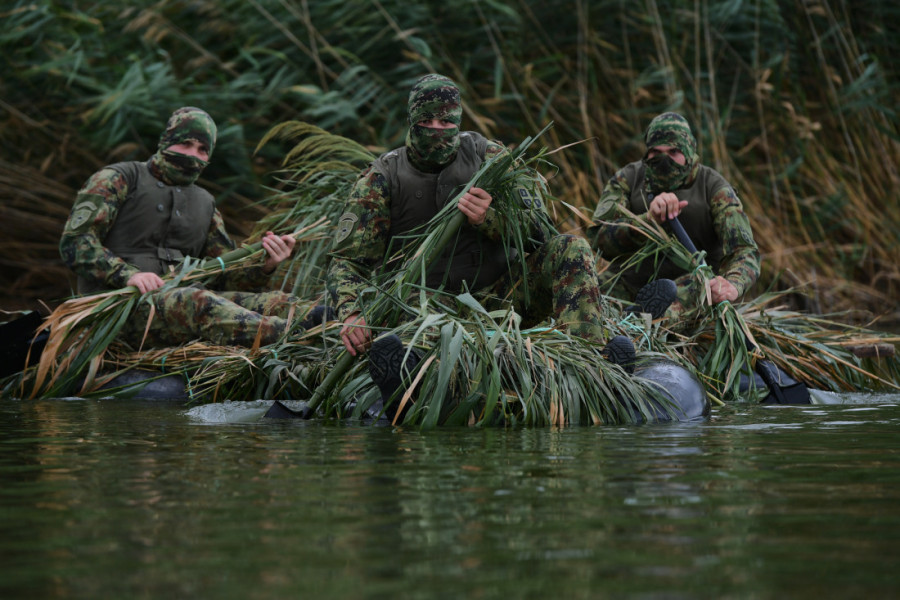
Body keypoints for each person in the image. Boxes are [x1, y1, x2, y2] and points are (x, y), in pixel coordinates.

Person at [326, 74, 635, 408]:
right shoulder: (382, 177)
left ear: (458, 120)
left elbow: (543, 232)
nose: (436, 130)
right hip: (422, 309)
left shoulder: (491, 159)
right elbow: (348, 260)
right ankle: (408, 382)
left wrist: (492, 220)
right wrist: (352, 312)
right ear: (411, 122)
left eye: (445, 121)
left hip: (500, 300)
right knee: (413, 338)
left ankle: (588, 366)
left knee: (572, 248)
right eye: (426, 121)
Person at [59, 106, 324, 348]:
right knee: (199, 301)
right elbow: (76, 243)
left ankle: (327, 320)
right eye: (186, 144)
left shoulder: (205, 204)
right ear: (166, 142)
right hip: (120, 308)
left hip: (183, 304)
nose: (193, 155)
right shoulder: (118, 178)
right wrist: (128, 275)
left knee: (278, 302)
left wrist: (265, 266)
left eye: (202, 150)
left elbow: (224, 275)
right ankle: (301, 336)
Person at [588, 112, 760, 323]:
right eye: (656, 152)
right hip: (630, 283)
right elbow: (599, 239)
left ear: (689, 152)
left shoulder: (714, 187)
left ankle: (641, 326)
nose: (664, 160)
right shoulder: (628, 179)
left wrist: (733, 284)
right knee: (588, 292)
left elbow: (745, 251)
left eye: (673, 152)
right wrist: (647, 222)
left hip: (691, 287)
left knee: (697, 288)